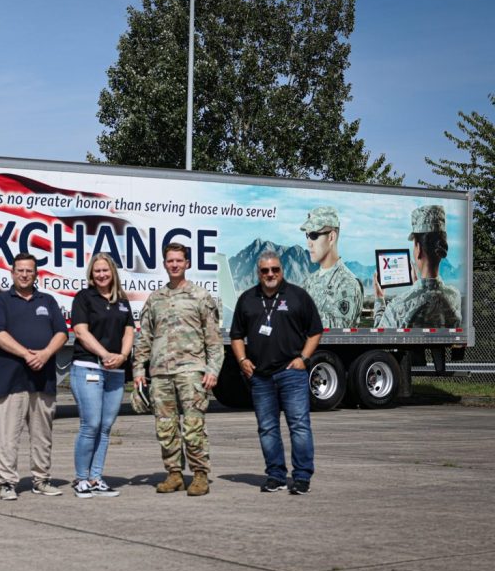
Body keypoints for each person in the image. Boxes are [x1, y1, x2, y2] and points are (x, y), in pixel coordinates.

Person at [229, 250, 323, 496]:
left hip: (291, 374)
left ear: (282, 271)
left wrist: (304, 358)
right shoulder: (247, 299)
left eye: (275, 269)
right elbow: (236, 335)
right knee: (267, 428)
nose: (270, 274)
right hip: (260, 377)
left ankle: (301, 477)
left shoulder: (298, 297)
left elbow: (315, 331)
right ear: (258, 273)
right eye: (265, 270)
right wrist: (242, 360)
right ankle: (276, 476)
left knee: (299, 426)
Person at [133, 243, 222, 497]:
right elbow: (145, 338)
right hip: (160, 373)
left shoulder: (200, 297)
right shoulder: (155, 299)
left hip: (191, 372)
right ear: (164, 264)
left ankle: (200, 475)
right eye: (170, 261)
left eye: (179, 261)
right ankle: (174, 474)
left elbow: (213, 339)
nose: (174, 265)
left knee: (193, 426)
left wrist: (213, 369)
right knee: (165, 427)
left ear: (187, 264)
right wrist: (139, 370)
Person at [0, 253, 69, 500]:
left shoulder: (48, 301)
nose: (24, 275)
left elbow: (62, 333)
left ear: (36, 274)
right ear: (12, 273)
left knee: (42, 436)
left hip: (43, 380)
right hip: (11, 380)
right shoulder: (1, 301)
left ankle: (41, 479)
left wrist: (44, 354)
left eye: (29, 271)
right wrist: (26, 354)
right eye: (20, 270)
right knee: (9, 436)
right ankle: (7, 483)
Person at [68, 253, 134, 498]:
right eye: (97, 271)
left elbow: (129, 332)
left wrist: (123, 356)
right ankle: (81, 479)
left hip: (115, 371)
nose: (102, 274)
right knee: (91, 425)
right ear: (91, 274)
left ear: (112, 272)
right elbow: (81, 332)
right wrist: (106, 354)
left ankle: (96, 478)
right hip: (89, 367)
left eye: (105, 270)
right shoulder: (84, 298)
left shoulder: (122, 300)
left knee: (105, 427)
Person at [374, 205, 462, 329]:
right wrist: (417, 285)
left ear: (418, 248)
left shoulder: (399, 305)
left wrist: (379, 298)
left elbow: (379, 335)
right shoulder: (454, 297)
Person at [300, 206, 364, 329]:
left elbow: (340, 327)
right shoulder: (309, 281)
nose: (309, 242)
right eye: (307, 236)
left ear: (331, 237)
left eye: (313, 235)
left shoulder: (348, 283)